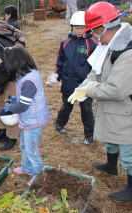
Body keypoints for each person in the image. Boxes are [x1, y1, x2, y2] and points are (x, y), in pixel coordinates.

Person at [68, 2, 132, 202]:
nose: (94, 36)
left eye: (94, 31)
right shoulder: (110, 45)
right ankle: (111, 166)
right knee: (112, 139)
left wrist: (89, 89)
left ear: (103, 27)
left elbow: (116, 89)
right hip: (114, 108)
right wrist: (83, 86)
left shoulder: (127, 52)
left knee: (128, 149)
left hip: (126, 108)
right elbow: (96, 71)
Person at [0, 46, 50, 185]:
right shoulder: (25, 75)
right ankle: (27, 168)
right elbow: (23, 100)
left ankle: (39, 174)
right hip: (28, 119)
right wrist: (15, 100)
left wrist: (10, 108)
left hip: (34, 121)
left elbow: (23, 105)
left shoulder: (29, 81)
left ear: (14, 63)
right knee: (24, 146)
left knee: (31, 149)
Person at [47, 11, 97, 145]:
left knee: (86, 109)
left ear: (88, 27)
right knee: (67, 105)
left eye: (82, 27)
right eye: (76, 27)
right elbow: (60, 60)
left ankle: (90, 135)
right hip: (68, 82)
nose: (80, 30)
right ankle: (59, 123)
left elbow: (96, 65)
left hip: (84, 83)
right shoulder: (65, 42)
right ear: (71, 27)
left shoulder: (92, 43)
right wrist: (56, 75)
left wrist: (93, 81)